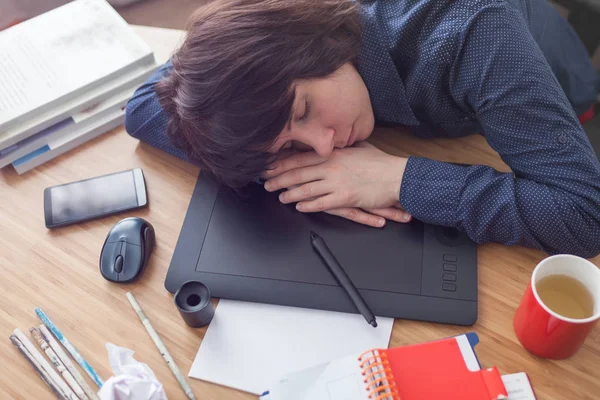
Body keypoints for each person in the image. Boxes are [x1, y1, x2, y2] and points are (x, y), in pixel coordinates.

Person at [125, 0, 600, 258]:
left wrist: (397, 178)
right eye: (293, 145)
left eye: (305, 110)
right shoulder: (271, 25)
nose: (325, 149)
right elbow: (147, 104)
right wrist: (278, 162)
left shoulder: (475, 27)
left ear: (312, 41)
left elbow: (584, 214)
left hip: (547, 82)